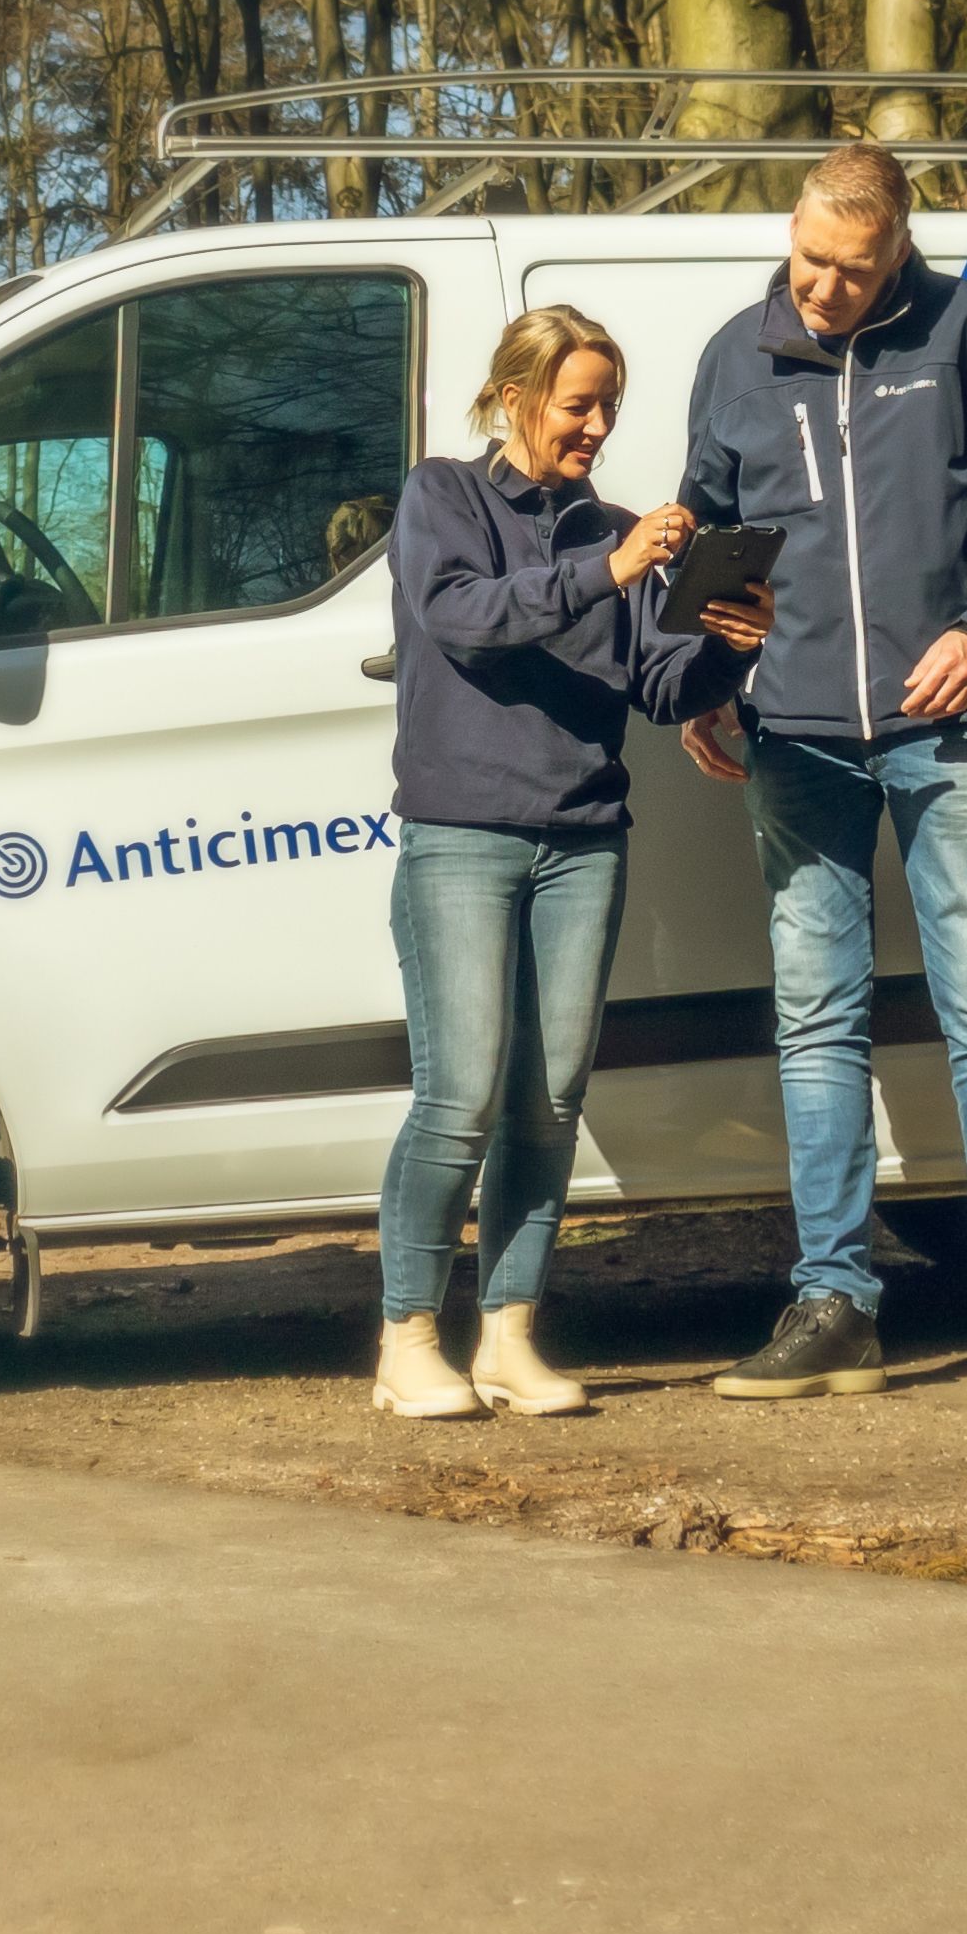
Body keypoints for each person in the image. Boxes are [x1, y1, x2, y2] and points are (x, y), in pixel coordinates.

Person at [675, 142, 967, 1410]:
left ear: (899, 252)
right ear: (793, 231)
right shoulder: (733, 356)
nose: (822, 289)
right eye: (810, 259)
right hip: (793, 738)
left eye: (852, 272)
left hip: (947, 730)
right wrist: (700, 680)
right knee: (816, 1022)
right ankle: (833, 1305)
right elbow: (704, 537)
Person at [375, 303, 765, 1420]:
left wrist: (732, 649)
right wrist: (608, 568)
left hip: (585, 836)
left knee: (547, 1103)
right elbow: (462, 617)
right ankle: (408, 1340)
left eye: (609, 407)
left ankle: (507, 1338)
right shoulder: (441, 497)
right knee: (459, 1093)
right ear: (515, 397)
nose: (595, 425)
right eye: (577, 402)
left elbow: (656, 688)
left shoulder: (620, 529)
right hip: (462, 834)